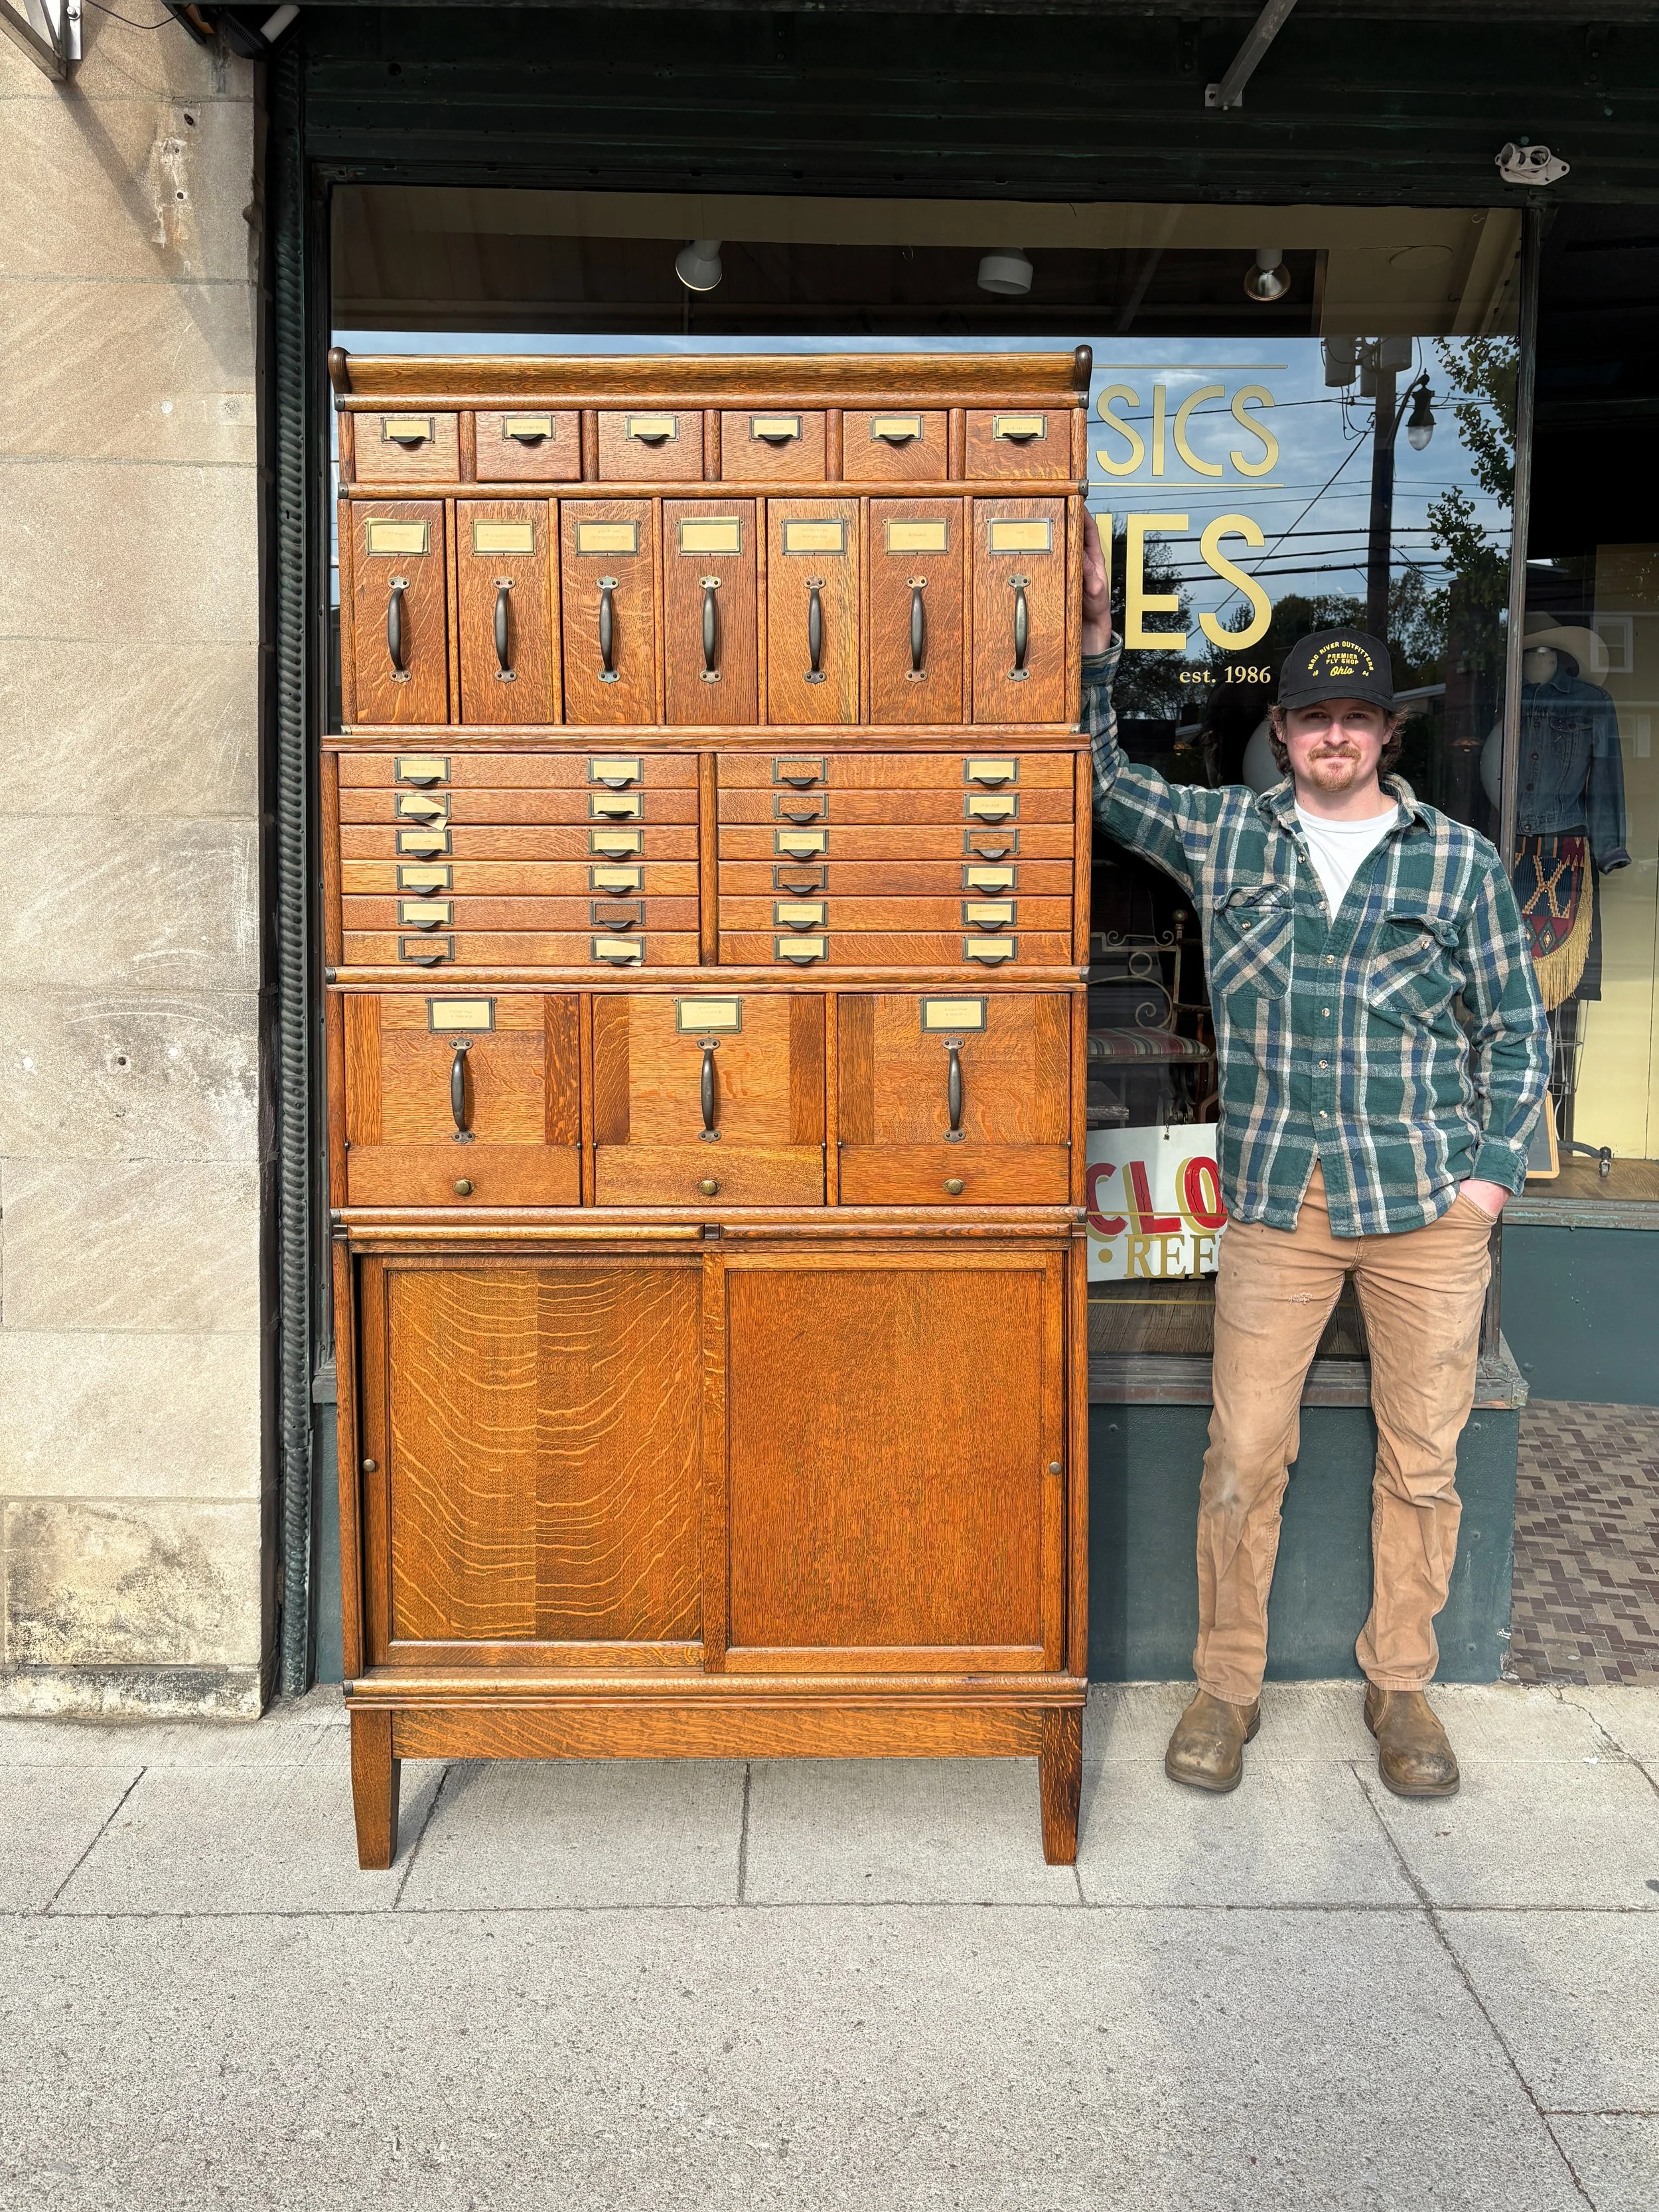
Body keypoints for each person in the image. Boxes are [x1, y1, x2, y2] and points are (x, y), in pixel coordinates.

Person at [1080, 512, 1550, 1799]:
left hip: (1424, 1208)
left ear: (1383, 733)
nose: (1332, 734)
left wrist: (1489, 1176)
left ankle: (1399, 1685)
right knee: (1241, 1455)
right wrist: (1088, 643)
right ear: (1278, 734)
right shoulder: (1226, 837)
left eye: (1355, 715)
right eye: (1310, 717)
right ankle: (1222, 1689)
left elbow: (1515, 1032)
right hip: (1277, 1205)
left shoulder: (1454, 864)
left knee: (1423, 1461)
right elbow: (1101, 782)